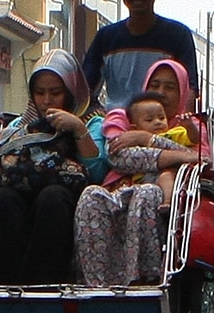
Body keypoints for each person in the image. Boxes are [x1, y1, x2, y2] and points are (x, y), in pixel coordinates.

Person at [0, 51, 98, 285]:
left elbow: (97, 171)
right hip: (21, 196)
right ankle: (10, 285)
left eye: (56, 93)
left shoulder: (92, 122)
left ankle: (47, 284)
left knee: (52, 198)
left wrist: (78, 129)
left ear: (71, 91)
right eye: (40, 93)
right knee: (2, 198)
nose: (46, 100)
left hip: (68, 202)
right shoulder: (17, 126)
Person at [72, 89, 203, 288]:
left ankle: (145, 276)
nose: (158, 122)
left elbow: (196, 156)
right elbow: (119, 156)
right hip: (124, 188)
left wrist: (146, 139)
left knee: (148, 193)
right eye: (149, 120)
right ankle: (95, 282)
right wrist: (159, 149)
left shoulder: (180, 130)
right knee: (91, 196)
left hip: (160, 191)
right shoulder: (121, 131)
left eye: (161, 117)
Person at [80, 0, 200, 117]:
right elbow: (85, 90)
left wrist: (181, 129)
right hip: (117, 127)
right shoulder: (106, 37)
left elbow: (190, 89)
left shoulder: (177, 35)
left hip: (161, 126)